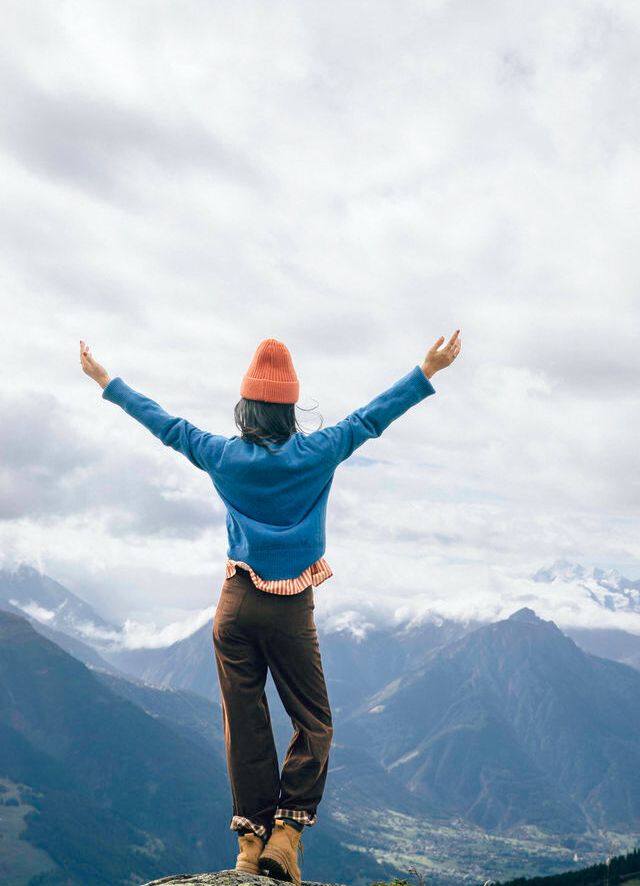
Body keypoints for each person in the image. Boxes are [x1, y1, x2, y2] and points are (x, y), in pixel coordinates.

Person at [79, 330, 461, 885]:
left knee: (246, 724)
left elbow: (164, 424)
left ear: (247, 407)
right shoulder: (317, 452)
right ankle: (286, 834)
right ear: (290, 409)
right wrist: (425, 372)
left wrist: (105, 380)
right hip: (289, 610)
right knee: (315, 723)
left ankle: (248, 845)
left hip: (233, 610)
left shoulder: (222, 456)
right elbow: (369, 419)